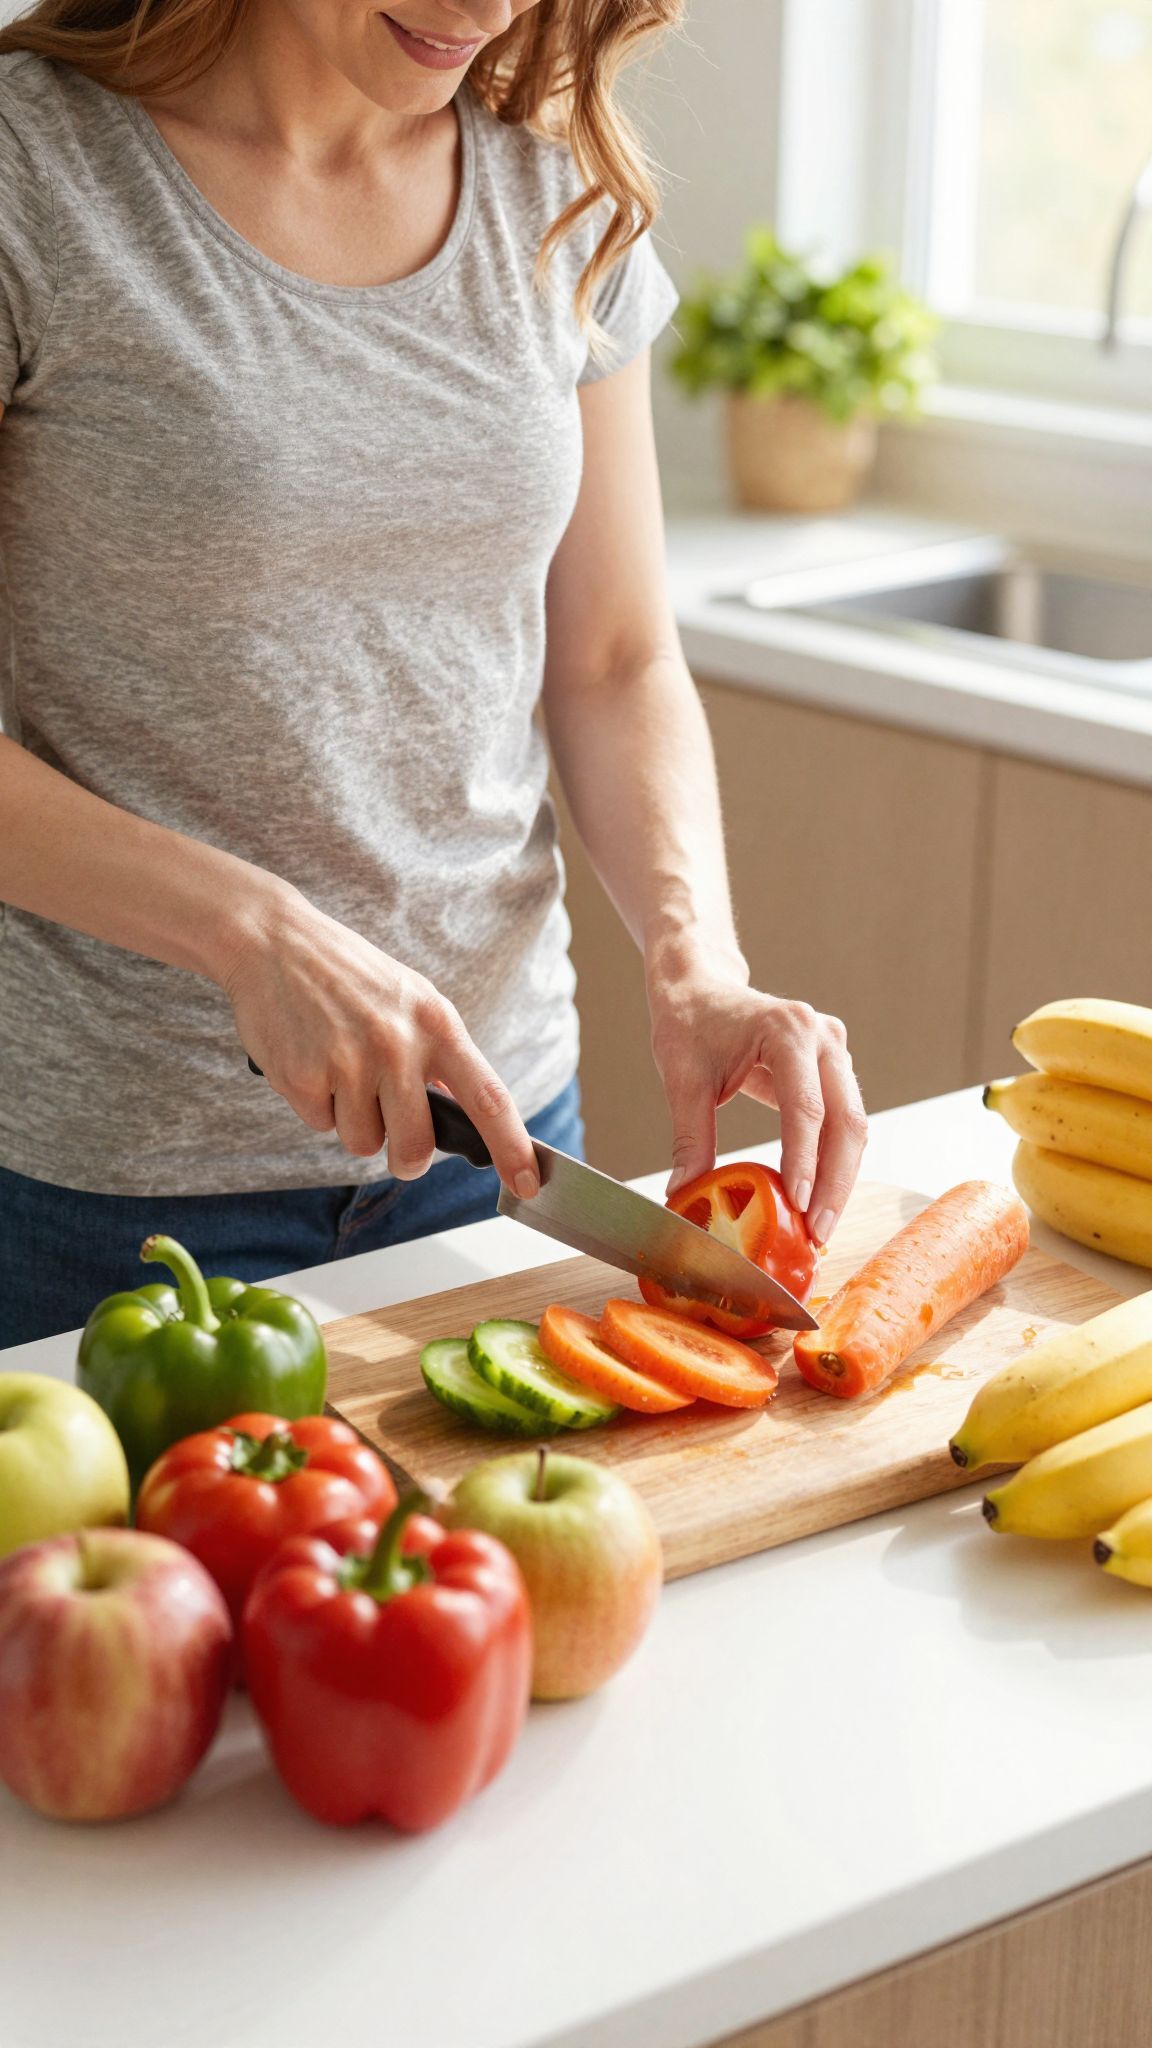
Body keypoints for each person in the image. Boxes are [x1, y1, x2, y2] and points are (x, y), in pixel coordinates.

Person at [0, 0, 867, 1347]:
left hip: (498, 1149)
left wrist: (697, 962)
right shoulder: (34, 174)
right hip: (121, 1193)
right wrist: (253, 934)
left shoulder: (553, 182)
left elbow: (617, 657)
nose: (486, 8)